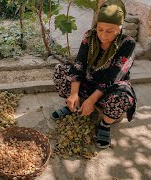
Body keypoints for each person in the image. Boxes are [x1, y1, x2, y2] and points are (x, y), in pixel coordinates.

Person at [51, 0, 136, 149]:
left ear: (120, 27)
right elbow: (79, 64)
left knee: (123, 97)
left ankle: (105, 125)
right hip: (89, 80)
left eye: (110, 31)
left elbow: (112, 77)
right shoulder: (89, 36)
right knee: (60, 70)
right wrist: (73, 93)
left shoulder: (127, 43)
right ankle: (73, 106)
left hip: (109, 88)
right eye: (100, 29)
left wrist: (91, 101)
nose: (103, 35)